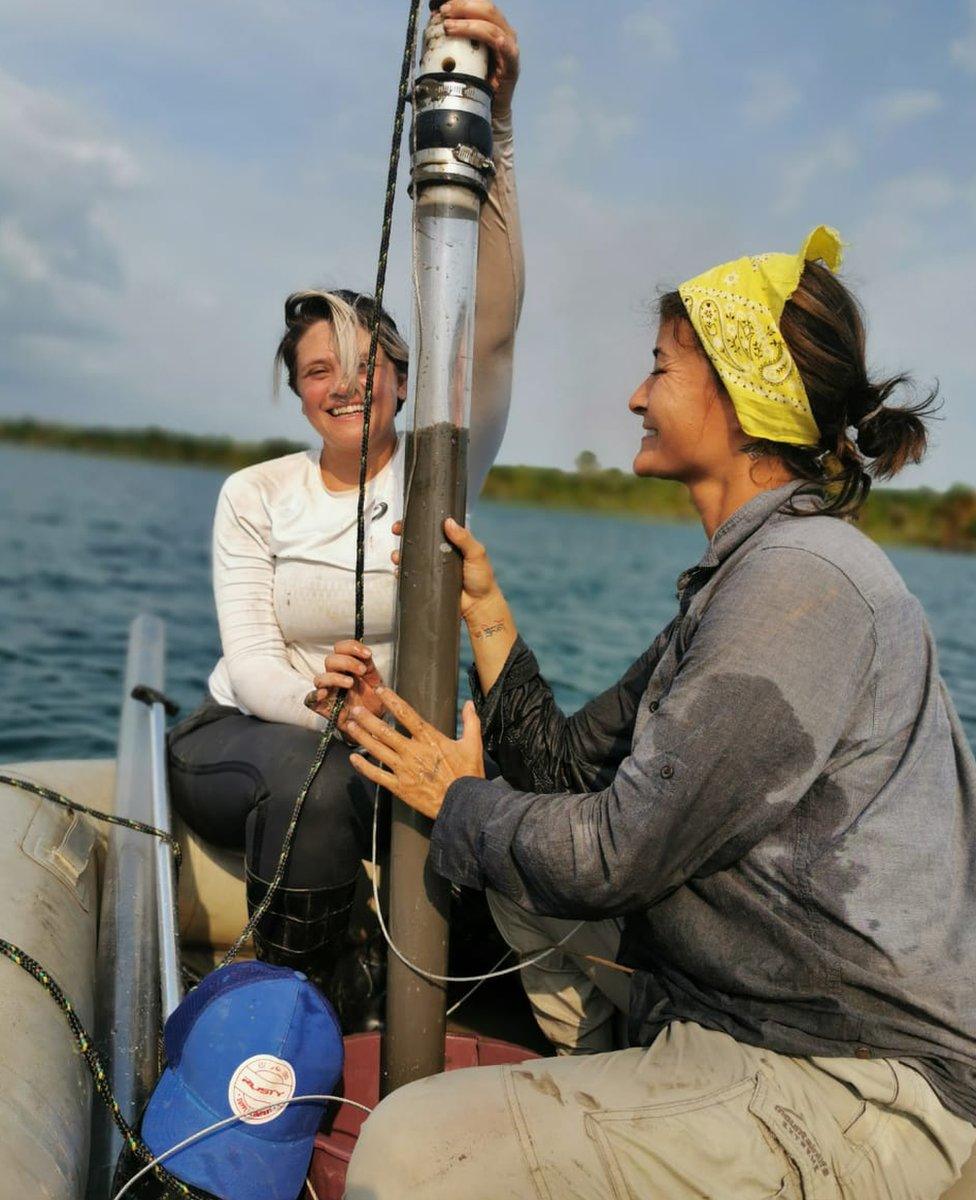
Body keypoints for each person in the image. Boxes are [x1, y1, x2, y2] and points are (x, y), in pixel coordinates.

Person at [342, 226, 976, 1198]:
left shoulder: (798, 588)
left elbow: (613, 853)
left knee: (408, 1149)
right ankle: (602, 1095)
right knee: (515, 864)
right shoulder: (746, 581)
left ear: (740, 394)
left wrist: (454, 798)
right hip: (750, 1006)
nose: (637, 396)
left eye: (660, 370)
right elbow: (561, 770)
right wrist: (487, 615)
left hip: (850, 1077)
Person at [167, 1, 523, 1023]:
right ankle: (304, 1016)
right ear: (297, 391)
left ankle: (483, 1023)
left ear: (408, 381)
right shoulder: (254, 495)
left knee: (471, 815)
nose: (342, 384)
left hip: (388, 745)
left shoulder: (439, 469)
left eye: (364, 365)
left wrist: (496, 125)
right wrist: (331, 702)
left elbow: (489, 336)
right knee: (318, 786)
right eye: (317, 371)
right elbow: (250, 658)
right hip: (247, 732)